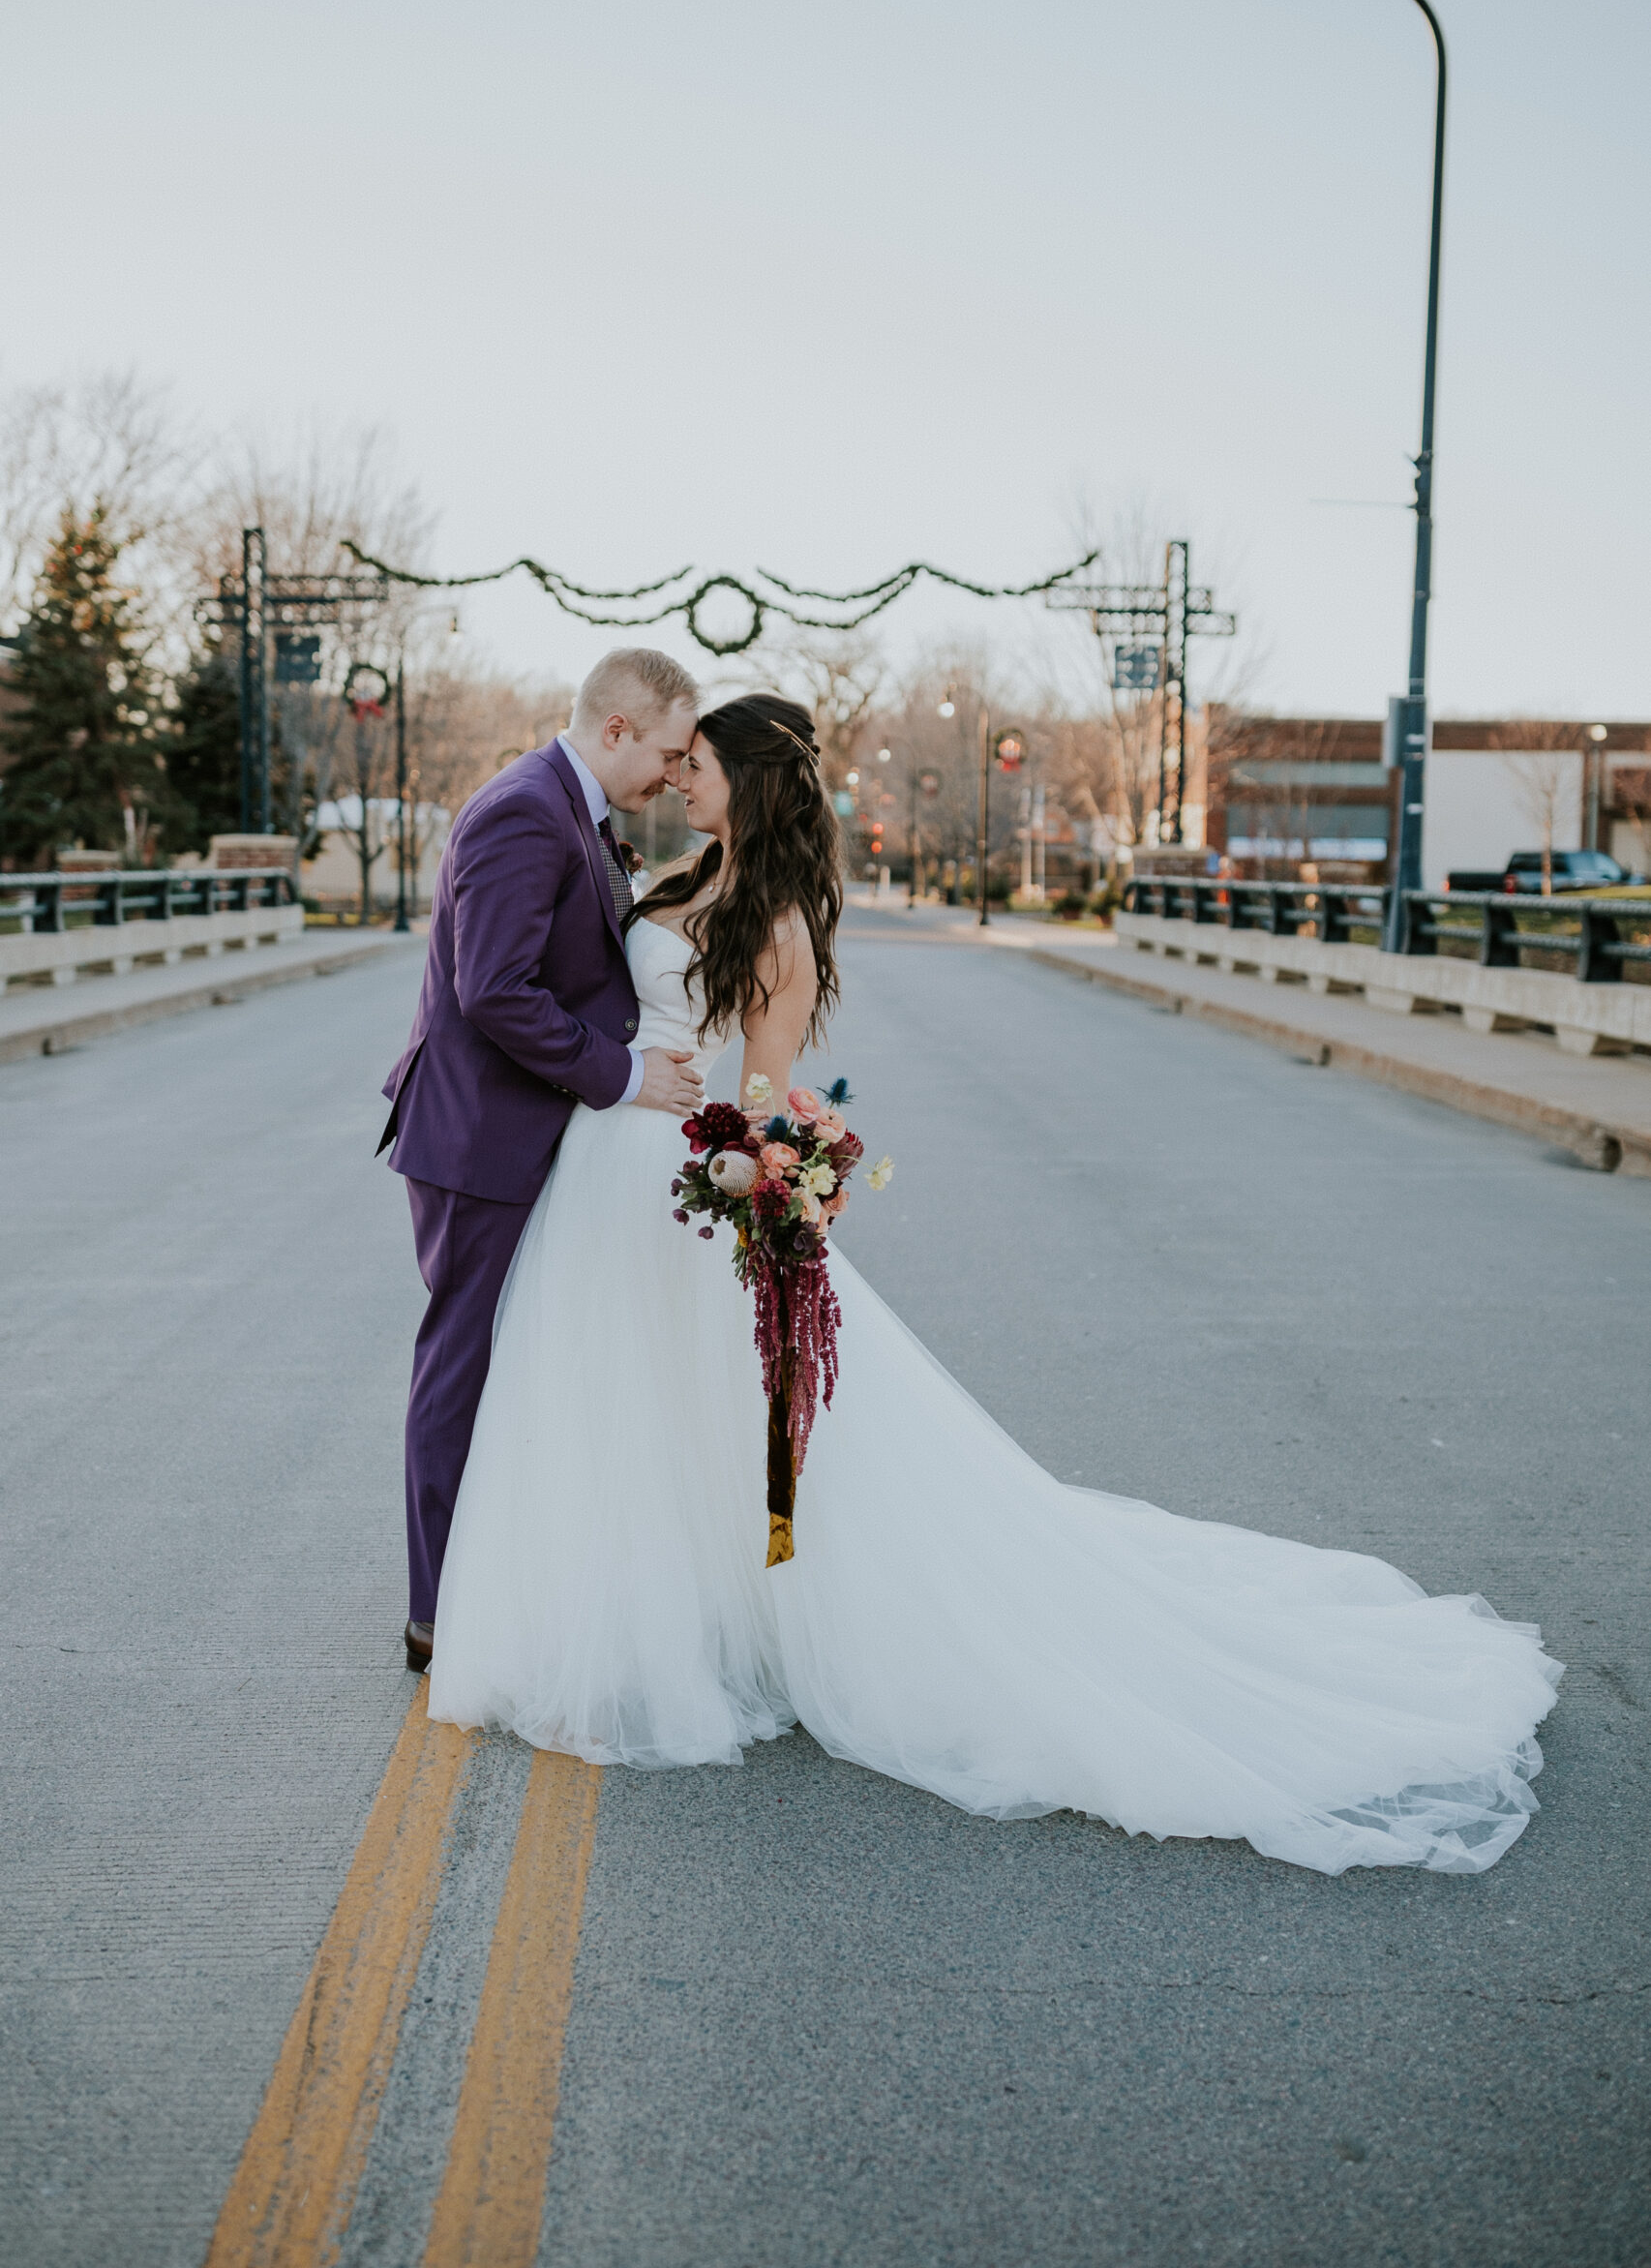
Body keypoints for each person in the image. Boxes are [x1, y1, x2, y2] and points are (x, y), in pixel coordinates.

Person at [427, 692, 1561, 1876]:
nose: (676, 778)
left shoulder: (777, 929)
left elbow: (762, 1097)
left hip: (675, 1171)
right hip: (599, 1168)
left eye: (697, 763)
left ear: (750, 783)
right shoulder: (665, 874)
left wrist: (751, 1171)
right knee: (614, 1407)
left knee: (710, 1411)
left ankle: (715, 1634)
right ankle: (634, 1622)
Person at [379, 647, 704, 1673]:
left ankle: (499, 1581)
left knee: (509, 1364)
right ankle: (437, 1612)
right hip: (479, 1137)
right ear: (615, 730)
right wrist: (619, 1075)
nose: (669, 772)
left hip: (524, 1132)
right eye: (664, 750)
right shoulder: (525, 809)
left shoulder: (580, 814)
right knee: (462, 1367)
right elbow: (495, 989)